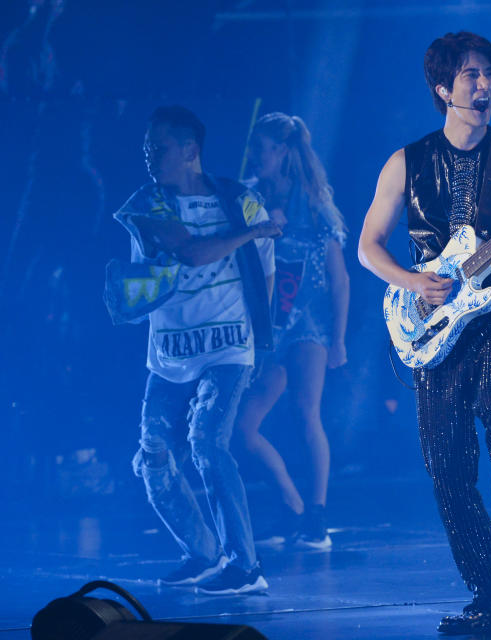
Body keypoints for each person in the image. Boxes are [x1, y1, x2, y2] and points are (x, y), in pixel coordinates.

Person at [357, 32, 491, 635]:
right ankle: (488, 596)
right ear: (443, 88)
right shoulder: (407, 161)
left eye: (489, 75)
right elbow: (367, 246)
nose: (484, 85)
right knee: (446, 463)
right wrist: (412, 279)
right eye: (471, 75)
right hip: (435, 319)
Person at [107, 106, 279, 595]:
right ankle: (202, 552)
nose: (149, 157)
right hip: (169, 351)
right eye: (146, 149)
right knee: (155, 452)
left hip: (227, 347)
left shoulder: (241, 201)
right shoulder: (148, 203)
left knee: (207, 441)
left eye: (157, 148)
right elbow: (190, 252)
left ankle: (245, 566)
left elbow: (264, 273)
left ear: (190, 151)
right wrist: (250, 233)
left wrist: (255, 337)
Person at [234, 112, 349, 550]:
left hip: (308, 325)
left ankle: (315, 517)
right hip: (265, 329)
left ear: (282, 152)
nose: (253, 156)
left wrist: (337, 338)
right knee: (243, 428)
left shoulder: (313, 203)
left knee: (306, 414)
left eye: (260, 148)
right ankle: (291, 505)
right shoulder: (248, 198)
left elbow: (339, 279)